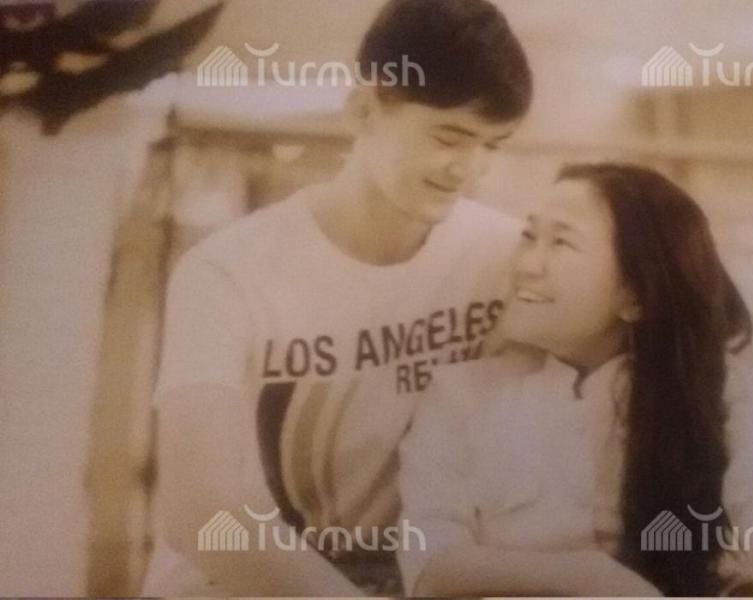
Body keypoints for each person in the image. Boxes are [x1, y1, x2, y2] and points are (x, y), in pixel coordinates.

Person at [141, 0, 532, 595]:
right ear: (363, 110)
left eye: (492, 145)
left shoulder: (505, 257)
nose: (469, 170)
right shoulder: (227, 272)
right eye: (449, 137)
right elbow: (201, 511)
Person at [396, 163, 753, 596]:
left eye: (561, 242)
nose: (526, 265)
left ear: (634, 296)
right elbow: (431, 563)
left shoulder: (715, 384)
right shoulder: (461, 393)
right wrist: (590, 577)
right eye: (529, 236)